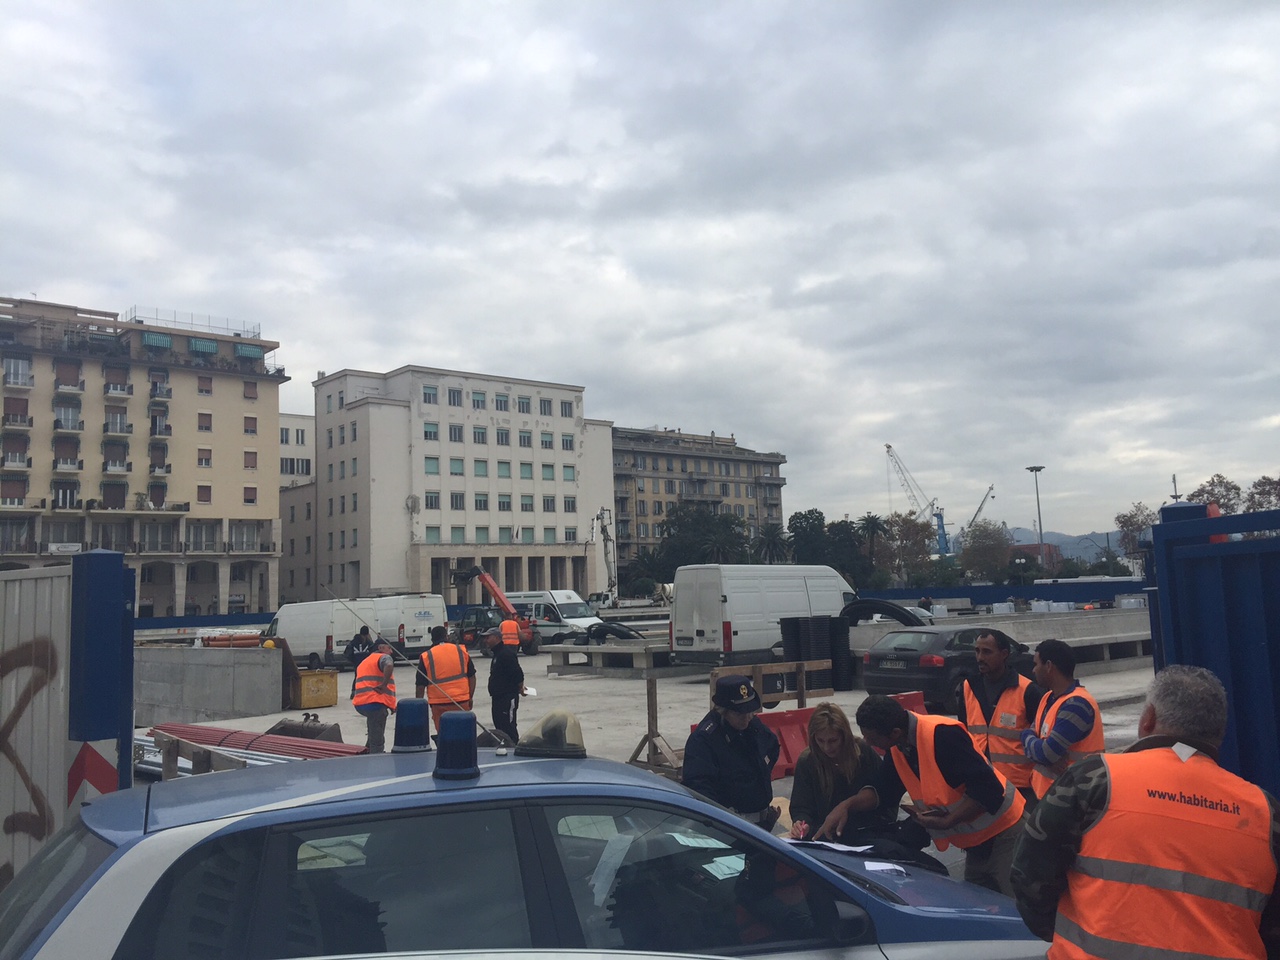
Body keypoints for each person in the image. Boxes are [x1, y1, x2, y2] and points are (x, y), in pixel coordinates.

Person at [1012, 665, 1280, 956]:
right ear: (1218, 734)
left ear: (1148, 719)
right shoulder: (1264, 812)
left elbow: (1029, 876)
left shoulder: (1095, 779)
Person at [817, 695, 1025, 896]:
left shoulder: (943, 735)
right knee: (983, 912)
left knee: (1022, 913)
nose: (868, 743)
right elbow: (883, 791)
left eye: (872, 738)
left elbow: (989, 790)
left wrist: (949, 821)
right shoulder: (899, 748)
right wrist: (847, 805)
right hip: (976, 845)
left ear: (895, 732)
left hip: (1005, 834)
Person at [683, 675, 781, 829]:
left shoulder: (752, 725)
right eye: (740, 713)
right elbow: (699, 789)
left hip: (763, 824)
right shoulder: (704, 740)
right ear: (723, 711)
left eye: (750, 711)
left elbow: (772, 747)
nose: (747, 717)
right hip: (730, 827)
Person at [788, 702, 893, 843]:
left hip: (865, 834)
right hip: (825, 838)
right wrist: (801, 824)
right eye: (820, 741)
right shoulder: (807, 761)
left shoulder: (862, 752)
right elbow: (801, 805)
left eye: (833, 740)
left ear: (844, 736)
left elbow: (883, 792)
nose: (827, 747)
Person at [960, 630, 1044, 807]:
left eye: (987, 652)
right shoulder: (968, 687)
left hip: (1020, 788)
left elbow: (1042, 740)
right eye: (977, 651)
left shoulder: (1027, 691)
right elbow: (964, 734)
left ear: (1004, 654)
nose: (980, 657)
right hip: (982, 783)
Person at [1021, 638, 1104, 797]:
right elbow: (1027, 733)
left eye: (1036, 664)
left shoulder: (1076, 705)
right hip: (1049, 795)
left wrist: (1038, 748)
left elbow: (1047, 753)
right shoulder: (1047, 698)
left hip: (1073, 799)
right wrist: (1031, 740)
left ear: (1049, 666)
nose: (1033, 670)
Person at [416, 624, 477, 733]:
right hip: (461, 700)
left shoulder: (427, 656)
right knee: (463, 733)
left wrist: (419, 706)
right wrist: (470, 697)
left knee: (444, 734)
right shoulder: (460, 651)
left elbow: (420, 685)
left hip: (439, 703)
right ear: (446, 636)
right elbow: (472, 676)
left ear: (432, 639)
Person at [352, 637, 396, 753]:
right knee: (377, 739)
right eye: (389, 648)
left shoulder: (365, 662)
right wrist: (384, 685)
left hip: (361, 703)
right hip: (374, 703)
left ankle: (367, 752)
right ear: (380, 648)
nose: (391, 651)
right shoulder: (383, 657)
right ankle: (377, 758)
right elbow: (389, 665)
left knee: (373, 731)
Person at [484, 626, 525, 742]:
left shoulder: (505, 654)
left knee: (508, 725)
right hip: (497, 698)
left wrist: (521, 688)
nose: (485, 640)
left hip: (507, 697)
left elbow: (518, 673)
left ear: (497, 638)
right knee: (500, 726)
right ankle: (505, 745)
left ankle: (513, 746)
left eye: (488, 637)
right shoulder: (497, 654)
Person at [344, 625, 376, 698]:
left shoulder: (353, 641)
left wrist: (353, 661)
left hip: (357, 663)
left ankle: (354, 692)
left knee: (357, 677)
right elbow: (373, 651)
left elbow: (347, 653)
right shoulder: (368, 642)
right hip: (366, 663)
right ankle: (367, 692)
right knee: (368, 678)